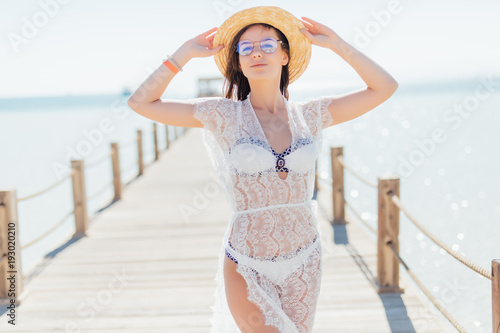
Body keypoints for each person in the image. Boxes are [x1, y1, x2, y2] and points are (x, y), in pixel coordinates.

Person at [127, 6, 398, 333]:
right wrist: (183, 54)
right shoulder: (223, 115)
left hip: (305, 259)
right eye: (246, 47)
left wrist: (339, 44)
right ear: (239, 62)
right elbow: (141, 102)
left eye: (268, 45)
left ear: (284, 55)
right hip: (247, 263)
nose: (257, 53)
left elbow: (385, 87)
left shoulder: (311, 115)